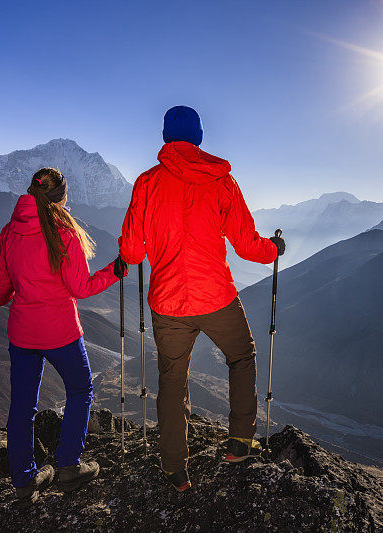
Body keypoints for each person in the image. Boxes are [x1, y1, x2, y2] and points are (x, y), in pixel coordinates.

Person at [118, 105, 285, 492]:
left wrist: (137, 248)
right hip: (217, 298)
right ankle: (241, 441)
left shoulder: (146, 183)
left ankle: (175, 466)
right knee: (241, 357)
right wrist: (274, 249)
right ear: (199, 137)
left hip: (168, 302)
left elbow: (131, 253)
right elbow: (246, 245)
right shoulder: (222, 182)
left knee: (172, 381)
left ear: (164, 137)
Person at [0, 167, 127, 507]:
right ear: (62, 197)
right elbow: (80, 287)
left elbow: (2, 286)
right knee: (81, 390)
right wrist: (114, 271)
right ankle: (68, 465)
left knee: (22, 406)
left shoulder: (10, 231)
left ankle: (24, 480)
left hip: (22, 333)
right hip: (60, 331)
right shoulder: (64, 232)